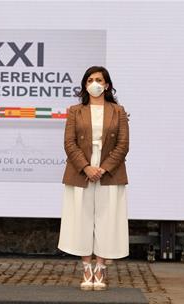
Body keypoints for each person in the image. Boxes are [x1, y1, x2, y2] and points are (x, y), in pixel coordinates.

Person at [58, 66, 129, 291]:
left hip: (111, 171)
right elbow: (69, 143)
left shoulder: (118, 111)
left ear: (107, 85)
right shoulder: (74, 111)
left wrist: (103, 168)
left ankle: (100, 268)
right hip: (81, 170)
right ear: (84, 85)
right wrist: (87, 167)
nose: (94, 84)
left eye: (99, 80)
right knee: (82, 217)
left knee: (108, 219)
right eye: (90, 80)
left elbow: (123, 145)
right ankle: (86, 267)